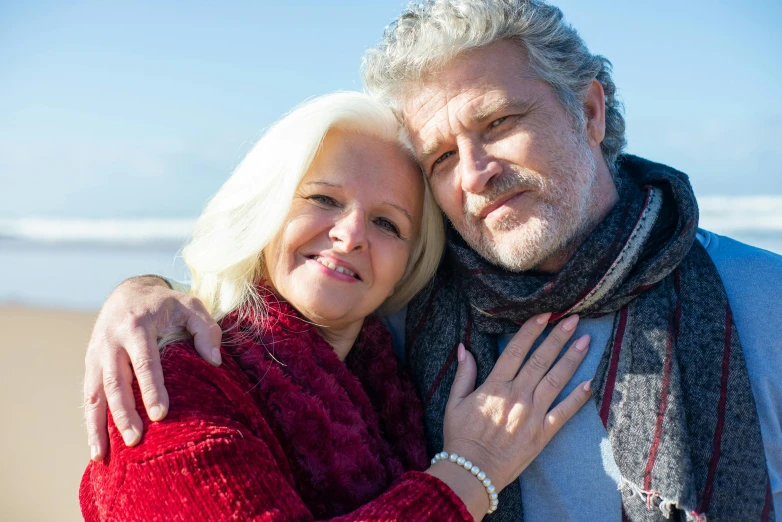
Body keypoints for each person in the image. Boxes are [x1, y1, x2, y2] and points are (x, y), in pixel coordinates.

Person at [82, 1, 782, 520]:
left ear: (590, 112)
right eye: (443, 157)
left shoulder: (765, 301)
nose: (474, 172)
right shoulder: (402, 317)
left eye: (499, 123)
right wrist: (143, 293)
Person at [80, 91, 594, 521]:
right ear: (267, 207)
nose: (349, 237)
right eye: (324, 199)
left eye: (388, 224)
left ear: (410, 266)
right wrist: (469, 472)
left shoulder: (394, 388)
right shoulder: (167, 384)